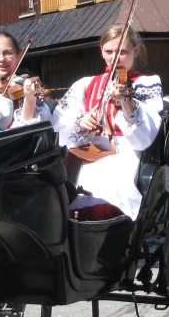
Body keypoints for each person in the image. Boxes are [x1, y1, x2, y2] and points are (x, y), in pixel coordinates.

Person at [52, 24, 163, 221]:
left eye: (122, 52)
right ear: (101, 52)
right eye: (108, 51)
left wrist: (127, 102)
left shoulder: (145, 84)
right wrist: (80, 122)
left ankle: (104, 226)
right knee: (57, 176)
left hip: (124, 152)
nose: (114, 58)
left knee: (106, 180)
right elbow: (60, 122)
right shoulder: (86, 84)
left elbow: (144, 137)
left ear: (135, 51)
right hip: (87, 149)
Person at [0, 31, 51, 126]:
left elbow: (26, 132)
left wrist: (30, 101)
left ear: (18, 56)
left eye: (8, 53)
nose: (2, 59)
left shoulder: (23, 88)